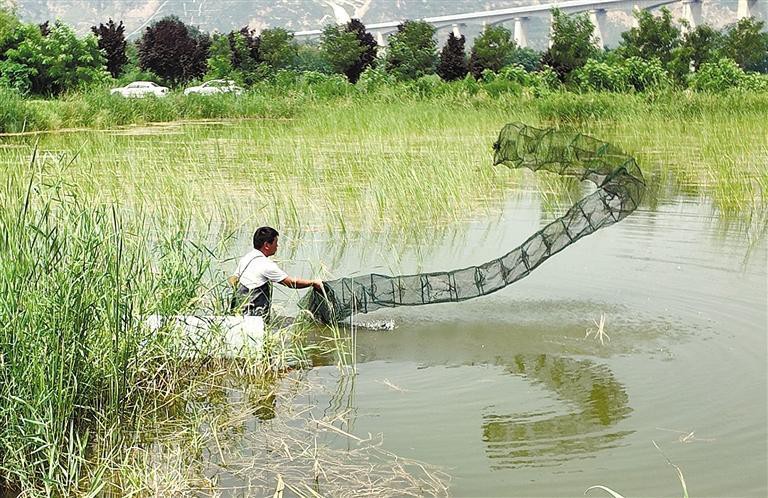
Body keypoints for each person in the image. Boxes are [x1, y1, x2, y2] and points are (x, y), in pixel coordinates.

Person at [228, 226, 322, 319]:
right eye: (275, 242)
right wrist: (313, 283)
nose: (277, 246)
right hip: (254, 319)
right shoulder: (266, 264)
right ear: (267, 245)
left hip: (237, 315)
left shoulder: (246, 258)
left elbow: (233, 279)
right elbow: (291, 283)